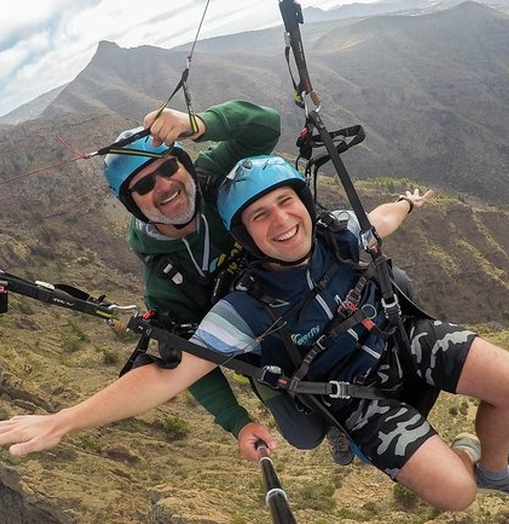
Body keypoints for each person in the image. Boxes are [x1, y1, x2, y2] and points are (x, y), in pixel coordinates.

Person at [0, 155, 509, 510]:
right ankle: (474, 462)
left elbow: (379, 221)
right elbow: (164, 378)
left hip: (402, 339)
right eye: (259, 216)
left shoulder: (336, 234)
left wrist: (407, 202)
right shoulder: (242, 309)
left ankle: (496, 466)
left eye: (285, 202)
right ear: (244, 234)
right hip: (357, 400)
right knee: (456, 494)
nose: (281, 221)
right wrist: (62, 420)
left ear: (303, 200)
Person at [100, 101, 352, 463]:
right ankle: (337, 425)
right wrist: (238, 422)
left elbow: (265, 126)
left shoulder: (212, 176)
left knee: (394, 299)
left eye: (169, 167)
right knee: (303, 434)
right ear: (132, 203)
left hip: (312, 287)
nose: (164, 185)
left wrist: (197, 124)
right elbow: (190, 355)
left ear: (184, 164)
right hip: (267, 344)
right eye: (144, 185)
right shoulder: (164, 279)